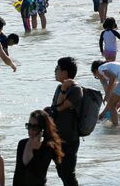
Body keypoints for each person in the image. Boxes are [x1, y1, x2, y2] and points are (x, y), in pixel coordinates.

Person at [48, 56, 83, 185]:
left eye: (57, 69)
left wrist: (63, 89)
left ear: (65, 72)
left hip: (69, 139)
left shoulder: (76, 90)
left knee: (68, 174)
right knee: (61, 172)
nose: (55, 71)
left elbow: (58, 108)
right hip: (56, 137)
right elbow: (54, 108)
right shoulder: (59, 88)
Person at [13, 110, 63, 186]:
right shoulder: (22, 144)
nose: (30, 130)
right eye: (29, 126)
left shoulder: (48, 148)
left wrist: (33, 148)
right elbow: (17, 174)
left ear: (42, 129)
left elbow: (36, 172)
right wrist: (29, 145)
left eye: (34, 127)